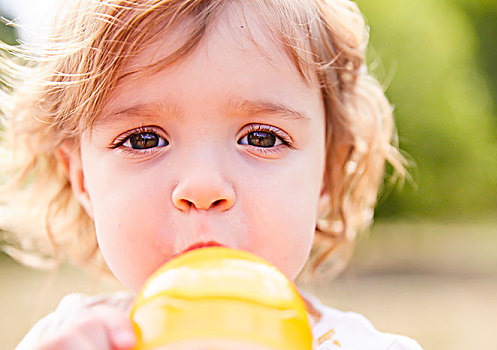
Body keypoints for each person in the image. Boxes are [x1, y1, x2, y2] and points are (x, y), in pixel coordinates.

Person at [0, 0, 421, 349]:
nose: (203, 187)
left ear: (326, 174)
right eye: (144, 139)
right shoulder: (69, 342)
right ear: (82, 179)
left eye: (262, 137)